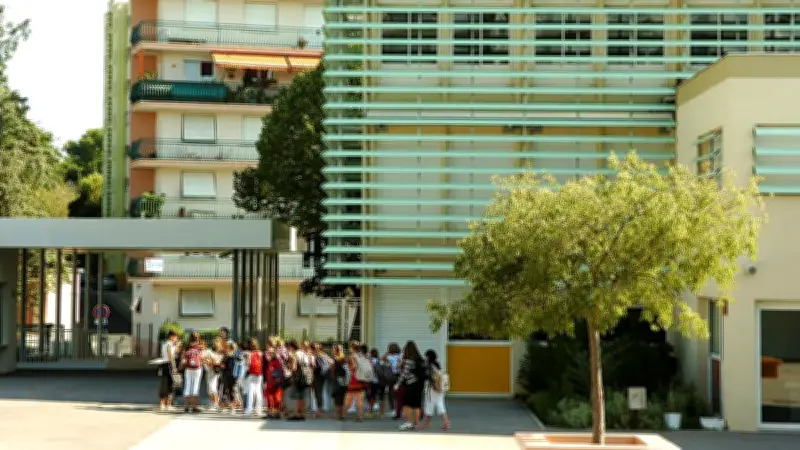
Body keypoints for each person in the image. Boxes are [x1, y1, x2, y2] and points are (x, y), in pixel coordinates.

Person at [395, 340, 426, 430]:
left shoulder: (409, 360)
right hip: (419, 386)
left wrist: (397, 384)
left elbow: (404, 374)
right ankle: (416, 423)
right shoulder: (421, 360)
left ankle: (408, 422)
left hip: (410, 385)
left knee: (406, 405)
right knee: (417, 405)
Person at [420, 349, 451, 430]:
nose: (425, 358)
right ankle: (446, 422)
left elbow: (427, 377)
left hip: (431, 389)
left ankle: (426, 424)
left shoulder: (429, 366)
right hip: (440, 388)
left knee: (429, 405)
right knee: (440, 404)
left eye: (426, 356)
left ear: (428, 357)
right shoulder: (437, 365)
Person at [286, 340, 313, 421]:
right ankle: (302, 414)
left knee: (297, 397)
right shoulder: (304, 353)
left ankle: (297, 414)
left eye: (289, 347)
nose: (289, 349)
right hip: (305, 378)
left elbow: (294, 368)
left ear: (292, 347)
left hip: (298, 378)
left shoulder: (295, 354)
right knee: (302, 397)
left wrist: (289, 366)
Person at [345, 341, 369, 422]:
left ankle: (343, 415)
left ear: (352, 348)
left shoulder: (352, 356)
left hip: (354, 378)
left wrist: (350, 367)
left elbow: (353, 367)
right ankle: (360, 416)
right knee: (360, 399)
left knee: (348, 397)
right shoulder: (363, 356)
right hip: (362, 379)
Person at [181, 332, 204, 413]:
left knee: (187, 386)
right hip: (197, 368)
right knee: (195, 386)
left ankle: (186, 407)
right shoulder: (200, 347)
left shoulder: (187, 347)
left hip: (188, 369)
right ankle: (194, 407)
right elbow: (202, 357)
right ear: (198, 338)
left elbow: (183, 359)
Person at [158, 330, 180, 411]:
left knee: (164, 384)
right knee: (170, 385)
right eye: (176, 337)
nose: (176, 339)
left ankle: (162, 404)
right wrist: (174, 367)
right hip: (169, 365)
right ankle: (168, 404)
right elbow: (171, 356)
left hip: (164, 364)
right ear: (171, 337)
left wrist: (177, 346)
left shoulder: (165, 344)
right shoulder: (169, 344)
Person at [312, 342, 333, 417]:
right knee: (320, 393)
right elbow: (331, 363)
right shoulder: (324, 355)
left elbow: (313, 366)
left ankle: (319, 411)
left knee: (318, 393)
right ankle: (320, 409)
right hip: (323, 376)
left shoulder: (315, 355)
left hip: (317, 376)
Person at [244, 338, 264, 417]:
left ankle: (249, 409)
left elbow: (247, 364)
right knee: (258, 391)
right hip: (259, 374)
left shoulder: (249, 354)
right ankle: (258, 409)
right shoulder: (261, 353)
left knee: (251, 392)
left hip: (252, 374)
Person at [264, 343, 285, 419]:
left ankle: (276, 413)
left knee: (276, 398)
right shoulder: (270, 361)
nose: (269, 354)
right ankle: (270, 412)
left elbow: (278, 373)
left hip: (275, 383)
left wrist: (277, 381)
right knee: (269, 397)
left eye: (271, 353)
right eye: (269, 353)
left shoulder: (277, 362)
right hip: (270, 382)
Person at [384, 342, 403, 419]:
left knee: (391, 393)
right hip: (399, 376)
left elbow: (382, 360)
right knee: (398, 393)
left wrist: (387, 353)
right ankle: (399, 410)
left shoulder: (389, 357)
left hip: (391, 376)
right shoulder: (400, 356)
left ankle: (393, 410)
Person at [331, 344, 348, 420]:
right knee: (343, 398)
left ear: (335, 350)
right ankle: (342, 414)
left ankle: (339, 415)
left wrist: (333, 376)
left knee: (337, 398)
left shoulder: (334, 359)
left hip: (337, 380)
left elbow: (332, 370)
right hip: (344, 380)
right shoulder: (345, 358)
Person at [367, 347, 386, 417]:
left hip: (374, 381)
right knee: (382, 397)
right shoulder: (381, 361)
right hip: (382, 381)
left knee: (372, 396)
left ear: (371, 354)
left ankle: (370, 412)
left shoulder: (370, 361)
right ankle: (382, 413)